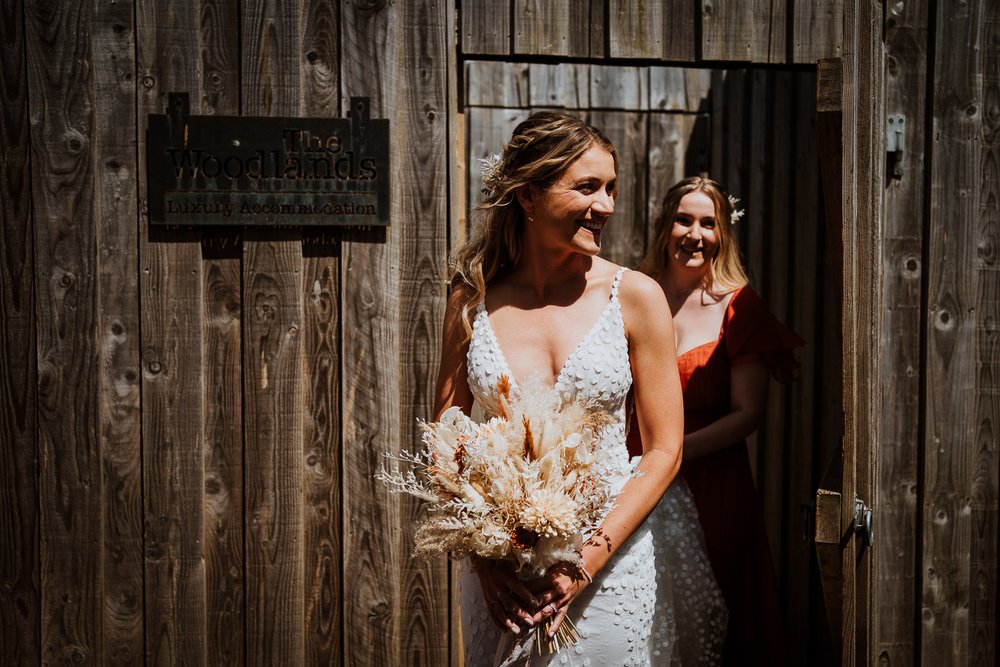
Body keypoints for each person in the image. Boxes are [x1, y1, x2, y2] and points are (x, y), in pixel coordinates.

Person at [433, 113, 724, 665]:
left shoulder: (635, 296)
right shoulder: (470, 297)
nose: (607, 205)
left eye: (611, 188)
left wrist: (585, 562)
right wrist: (484, 559)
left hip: (611, 559)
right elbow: (447, 433)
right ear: (527, 195)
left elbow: (665, 449)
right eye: (587, 187)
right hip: (505, 576)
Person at [627, 176, 804, 666]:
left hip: (713, 484)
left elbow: (748, 415)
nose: (695, 234)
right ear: (666, 226)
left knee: (715, 614)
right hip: (633, 475)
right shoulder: (632, 295)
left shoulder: (737, 305)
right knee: (640, 605)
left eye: (709, 223)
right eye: (685, 220)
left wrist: (669, 453)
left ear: (723, 234)